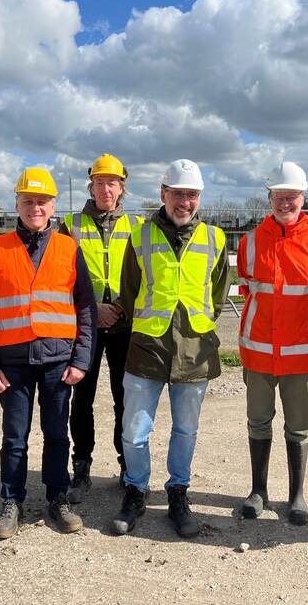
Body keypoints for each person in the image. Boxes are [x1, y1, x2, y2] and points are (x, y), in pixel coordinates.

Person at [0, 167, 96, 538]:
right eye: (28, 201)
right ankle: (12, 501)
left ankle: (58, 498)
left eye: (42, 201)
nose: (35, 208)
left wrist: (81, 359)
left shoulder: (69, 249)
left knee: (58, 434)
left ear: (53, 205)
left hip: (58, 361)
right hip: (13, 363)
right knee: (14, 437)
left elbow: (85, 308)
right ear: (18, 204)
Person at [111, 158, 230, 538]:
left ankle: (178, 491)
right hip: (148, 346)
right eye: (178, 194)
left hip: (195, 348)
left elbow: (218, 292)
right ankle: (135, 490)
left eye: (192, 195)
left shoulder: (215, 238)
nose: (185, 202)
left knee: (186, 430)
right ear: (163, 194)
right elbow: (129, 291)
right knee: (134, 430)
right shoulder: (141, 235)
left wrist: (196, 322)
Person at [236, 162, 308, 524]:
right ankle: (258, 491)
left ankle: (297, 496)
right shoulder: (250, 242)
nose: (285, 203)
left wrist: (297, 322)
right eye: (278, 196)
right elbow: (248, 289)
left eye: (291, 196)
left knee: (299, 426)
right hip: (259, 351)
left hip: (301, 352)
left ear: (303, 197)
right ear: (270, 198)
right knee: (258, 421)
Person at [60, 154, 143, 502]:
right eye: (99, 182)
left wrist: (120, 309)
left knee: (126, 399)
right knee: (82, 398)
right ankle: (81, 466)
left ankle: (127, 466)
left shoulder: (139, 226)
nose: (105, 188)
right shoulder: (70, 224)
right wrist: (92, 309)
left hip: (125, 326)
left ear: (121, 187)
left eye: (112, 182)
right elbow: (60, 275)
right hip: (86, 326)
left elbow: (145, 276)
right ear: (90, 185)